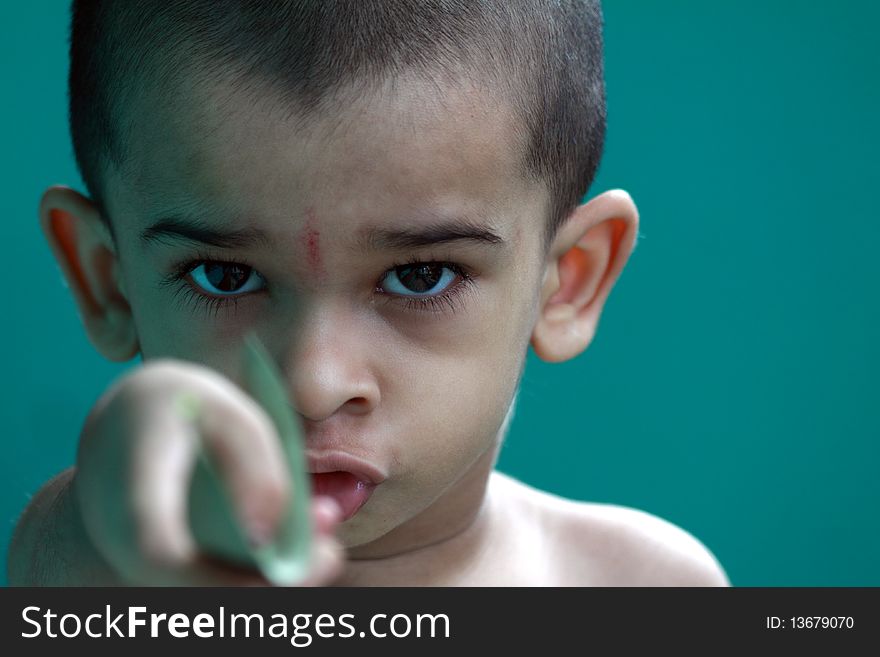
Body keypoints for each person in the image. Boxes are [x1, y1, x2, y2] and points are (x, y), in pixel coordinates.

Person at [7, 0, 728, 586]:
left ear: (568, 280)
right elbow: (92, 538)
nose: (316, 383)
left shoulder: (645, 588)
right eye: (225, 275)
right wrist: (112, 494)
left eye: (419, 276)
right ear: (108, 281)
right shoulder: (103, 572)